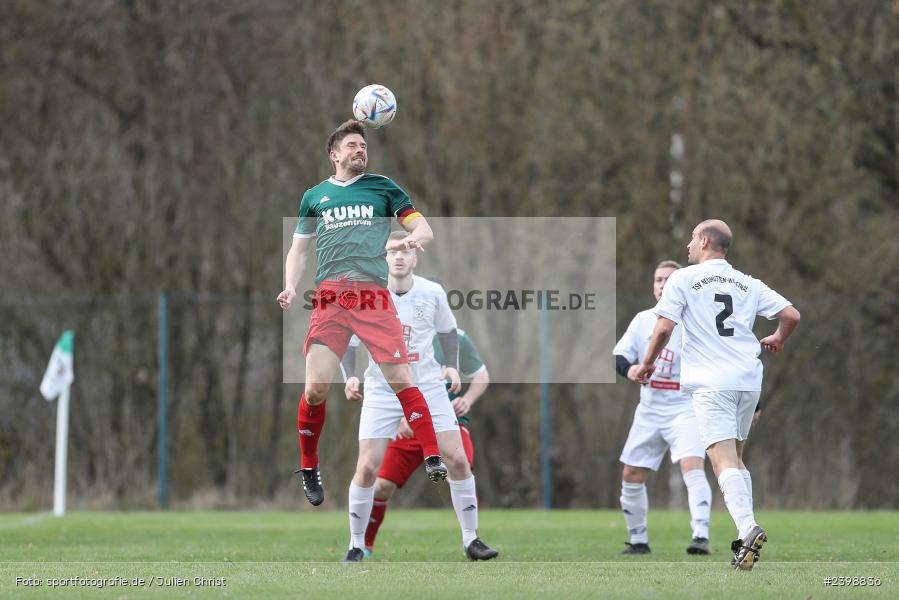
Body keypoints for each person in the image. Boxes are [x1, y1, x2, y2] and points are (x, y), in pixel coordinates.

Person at [277, 120, 447, 508]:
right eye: (351, 145)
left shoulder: (384, 188)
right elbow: (299, 250)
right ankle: (308, 466)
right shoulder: (314, 196)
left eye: (363, 145)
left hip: (372, 295)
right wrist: (290, 284)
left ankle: (431, 453)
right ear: (334, 154)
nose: (360, 150)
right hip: (331, 295)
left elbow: (423, 228)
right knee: (315, 388)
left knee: (401, 377)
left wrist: (413, 238)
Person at [633, 220, 800, 571]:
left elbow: (663, 328)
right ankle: (745, 544)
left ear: (705, 241)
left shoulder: (684, 278)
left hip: (712, 383)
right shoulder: (746, 281)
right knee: (737, 459)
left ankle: (748, 527)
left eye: (692, 238)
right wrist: (778, 338)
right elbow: (791, 315)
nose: (688, 245)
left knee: (722, 461)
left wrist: (647, 363)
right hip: (748, 380)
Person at [339, 232, 498, 562]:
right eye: (392, 250)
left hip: (426, 389)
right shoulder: (367, 294)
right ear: (382, 257)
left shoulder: (432, 292)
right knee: (367, 468)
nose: (398, 256)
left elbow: (449, 333)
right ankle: (356, 544)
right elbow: (347, 342)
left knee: (457, 459)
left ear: (415, 257)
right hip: (382, 392)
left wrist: (452, 368)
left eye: (405, 250)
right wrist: (350, 375)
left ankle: (471, 539)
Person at [354, 326, 490, 557]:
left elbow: (481, 375)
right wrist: (399, 416)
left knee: (459, 467)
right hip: (409, 427)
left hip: (447, 426)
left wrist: (467, 400)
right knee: (381, 485)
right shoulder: (401, 334)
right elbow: (387, 379)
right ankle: (363, 545)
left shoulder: (455, 337)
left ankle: (472, 541)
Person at [613, 260, 713, 556]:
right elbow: (618, 355)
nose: (663, 284)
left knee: (691, 465)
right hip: (650, 409)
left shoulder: (698, 321)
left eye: (669, 279)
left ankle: (700, 536)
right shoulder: (643, 319)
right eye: (658, 279)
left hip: (686, 406)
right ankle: (638, 540)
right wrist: (629, 370)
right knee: (631, 473)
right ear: (653, 286)